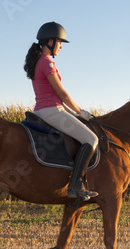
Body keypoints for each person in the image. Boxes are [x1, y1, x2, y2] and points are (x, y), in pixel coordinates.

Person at [23, 21, 99, 201]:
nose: (61, 47)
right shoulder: (47, 63)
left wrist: (72, 113)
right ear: (50, 41)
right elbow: (62, 94)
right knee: (91, 139)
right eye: (60, 43)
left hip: (46, 110)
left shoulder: (39, 61)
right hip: (51, 111)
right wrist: (80, 112)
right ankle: (76, 185)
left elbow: (56, 98)